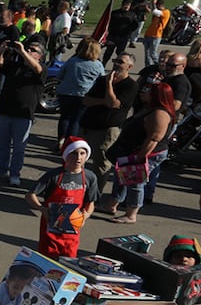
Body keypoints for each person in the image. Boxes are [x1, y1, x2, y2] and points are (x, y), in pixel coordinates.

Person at [103, 80, 176, 224]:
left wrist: (139, 158)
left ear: (156, 95)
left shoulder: (160, 113)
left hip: (145, 153)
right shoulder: (149, 108)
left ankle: (131, 214)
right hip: (132, 151)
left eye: (148, 91)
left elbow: (154, 138)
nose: (143, 92)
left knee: (135, 182)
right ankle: (113, 204)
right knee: (122, 177)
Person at [0, 38, 46, 187]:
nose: (29, 50)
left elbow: (38, 70)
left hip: (23, 115)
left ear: (40, 56)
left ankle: (15, 174)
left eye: (33, 50)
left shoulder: (40, 68)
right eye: (28, 48)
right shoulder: (15, 65)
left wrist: (23, 51)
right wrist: (2, 48)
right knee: (2, 144)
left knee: (19, 148)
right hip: (6, 110)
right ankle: (0, 169)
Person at [28, 137, 101, 259]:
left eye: (82, 153)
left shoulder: (90, 177)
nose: (78, 157)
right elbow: (30, 195)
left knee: (69, 261)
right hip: (51, 227)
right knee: (47, 259)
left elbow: (90, 202)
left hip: (72, 230)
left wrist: (85, 215)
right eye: (74, 153)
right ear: (66, 155)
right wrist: (42, 209)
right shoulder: (54, 175)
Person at [79, 53, 138, 181]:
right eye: (115, 60)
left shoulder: (130, 85)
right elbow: (86, 100)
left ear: (130, 67)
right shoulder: (101, 80)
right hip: (88, 126)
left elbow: (113, 103)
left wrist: (109, 84)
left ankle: (96, 195)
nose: (116, 64)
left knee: (101, 163)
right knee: (77, 159)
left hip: (107, 130)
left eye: (120, 62)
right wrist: (103, 101)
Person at [54, 39, 104, 142]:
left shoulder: (72, 61)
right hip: (83, 95)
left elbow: (59, 76)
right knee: (75, 121)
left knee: (64, 118)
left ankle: (61, 141)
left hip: (65, 93)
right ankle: (70, 143)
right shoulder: (97, 65)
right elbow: (101, 81)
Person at [140, 0, 171, 68]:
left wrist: (153, 3)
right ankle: (148, 67)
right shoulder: (159, 12)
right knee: (147, 54)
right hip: (148, 34)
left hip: (156, 35)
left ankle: (160, 66)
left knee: (153, 53)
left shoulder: (166, 12)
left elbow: (155, 12)